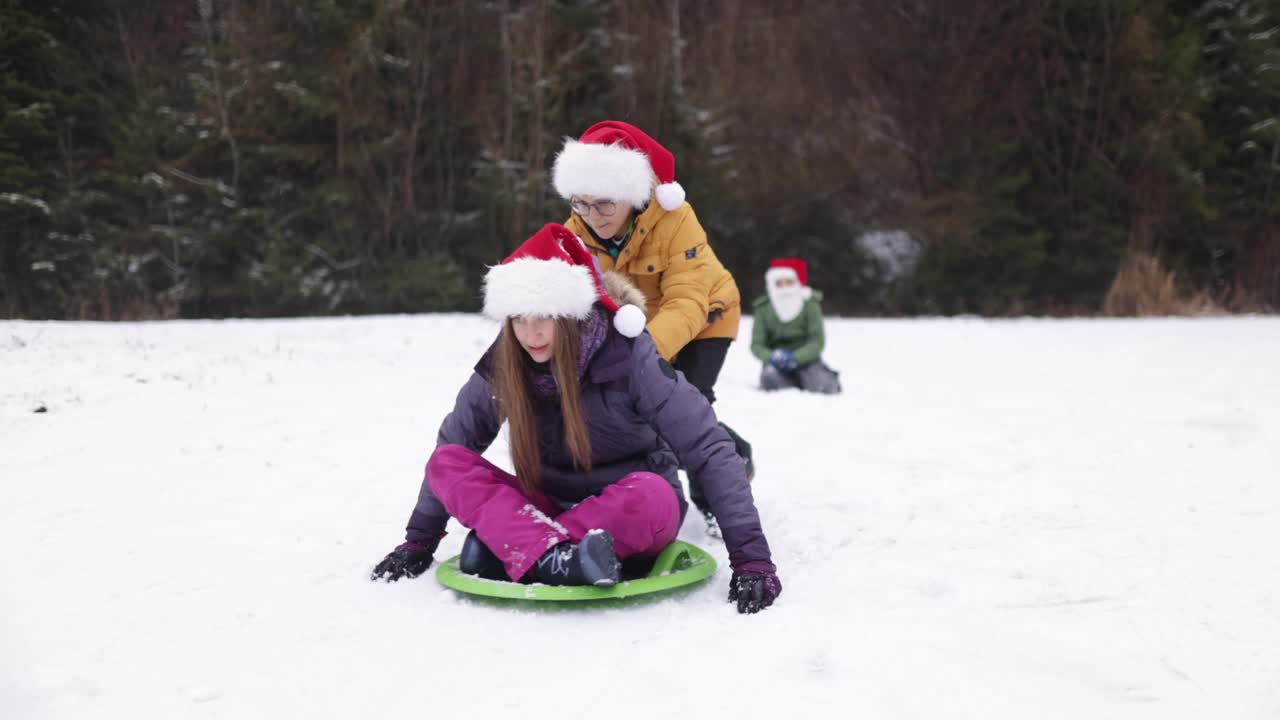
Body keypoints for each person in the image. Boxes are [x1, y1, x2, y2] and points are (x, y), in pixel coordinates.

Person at [370, 223, 781, 614]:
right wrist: (418, 542)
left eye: (543, 318)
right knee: (448, 462)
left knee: (652, 495)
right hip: (547, 504)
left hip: (629, 511)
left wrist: (752, 561)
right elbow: (456, 442)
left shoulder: (629, 355)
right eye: (518, 319)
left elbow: (708, 447)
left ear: (571, 315)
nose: (530, 334)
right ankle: (560, 558)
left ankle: (518, 550)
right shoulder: (509, 357)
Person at [551, 119, 753, 535]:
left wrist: (642, 357)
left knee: (685, 403)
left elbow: (687, 300)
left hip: (707, 315)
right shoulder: (575, 231)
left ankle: (714, 497)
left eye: (604, 203)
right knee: (639, 410)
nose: (592, 216)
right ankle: (736, 452)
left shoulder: (677, 219)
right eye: (581, 204)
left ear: (631, 193)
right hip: (636, 324)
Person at [750, 258, 842, 395]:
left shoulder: (810, 305)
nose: (784, 287)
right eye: (779, 283)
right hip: (776, 363)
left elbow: (816, 342)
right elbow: (757, 344)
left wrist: (795, 358)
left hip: (808, 360)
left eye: (789, 282)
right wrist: (771, 357)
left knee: (821, 385)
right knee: (771, 381)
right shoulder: (763, 308)